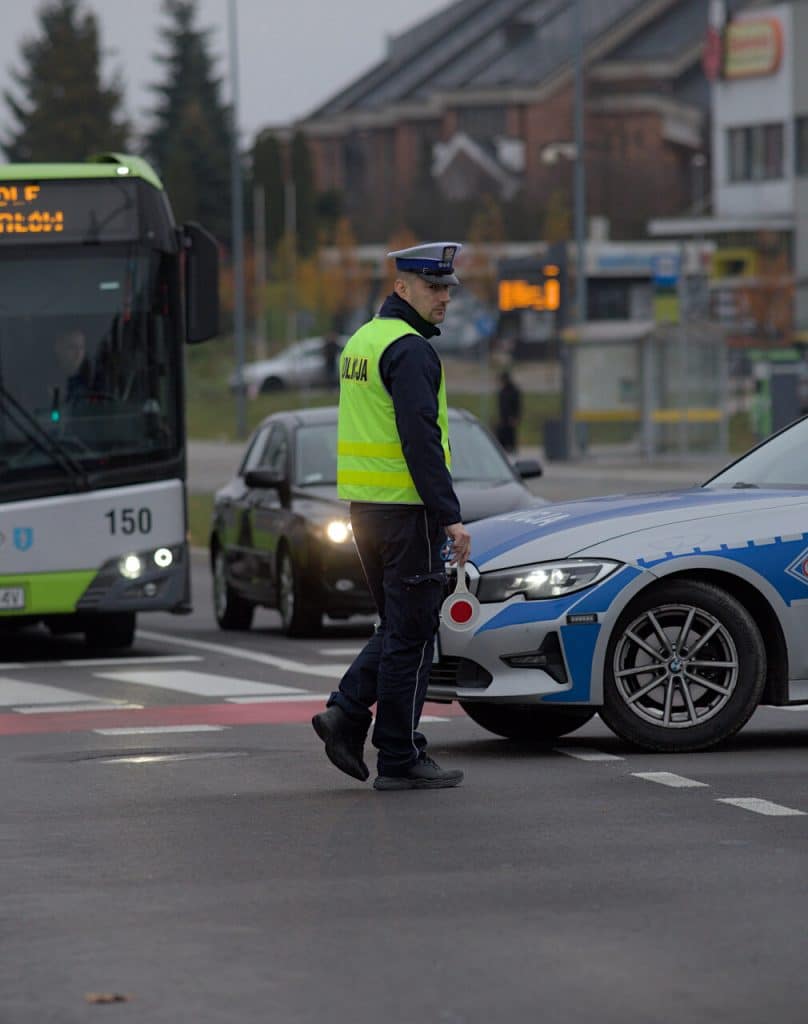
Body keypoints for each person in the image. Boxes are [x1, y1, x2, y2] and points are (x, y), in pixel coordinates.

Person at [312, 241, 471, 791]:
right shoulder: (410, 350)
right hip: (408, 515)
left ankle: (347, 713)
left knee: (401, 628)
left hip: (367, 511)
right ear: (402, 287)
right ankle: (398, 755)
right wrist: (449, 515)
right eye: (433, 288)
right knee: (412, 636)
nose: (444, 298)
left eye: (447, 288)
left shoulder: (363, 340)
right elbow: (419, 438)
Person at [495, 369, 522, 453]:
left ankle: (512, 449)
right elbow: (500, 406)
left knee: (511, 436)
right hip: (503, 418)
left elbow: (517, 405)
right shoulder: (502, 391)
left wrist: (516, 417)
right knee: (501, 435)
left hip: (511, 418)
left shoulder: (514, 391)